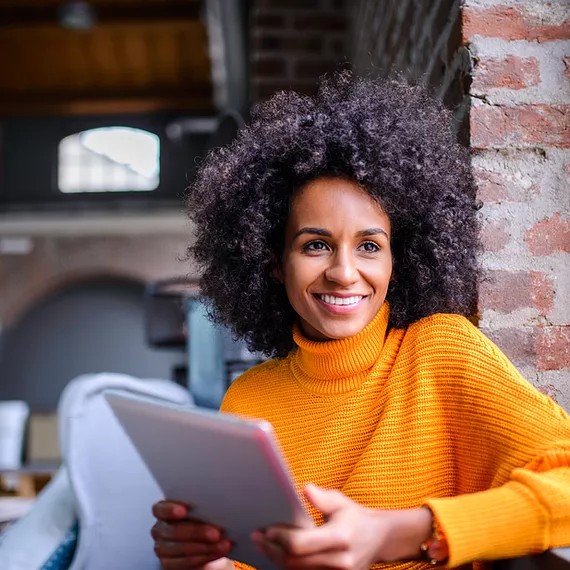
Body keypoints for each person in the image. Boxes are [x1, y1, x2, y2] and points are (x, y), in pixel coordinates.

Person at [151, 72, 570, 570]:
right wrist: (202, 561)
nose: (344, 273)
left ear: (400, 259)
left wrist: (407, 533)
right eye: (315, 245)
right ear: (272, 263)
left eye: (369, 246)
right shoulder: (249, 399)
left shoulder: (440, 351)